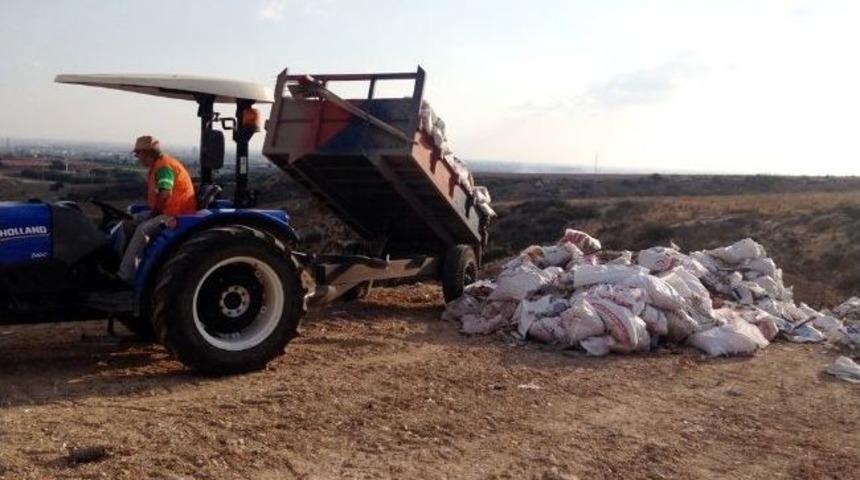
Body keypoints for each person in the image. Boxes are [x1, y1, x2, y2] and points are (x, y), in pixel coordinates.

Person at [116, 135, 197, 283]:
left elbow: (165, 194)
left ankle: (124, 276)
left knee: (143, 230)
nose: (137, 157)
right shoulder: (158, 166)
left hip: (176, 214)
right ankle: (115, 261)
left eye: (138, 153)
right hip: (166, 211)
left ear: (148, 152)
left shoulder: (164, 167)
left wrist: (154, 214)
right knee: (127, 222)